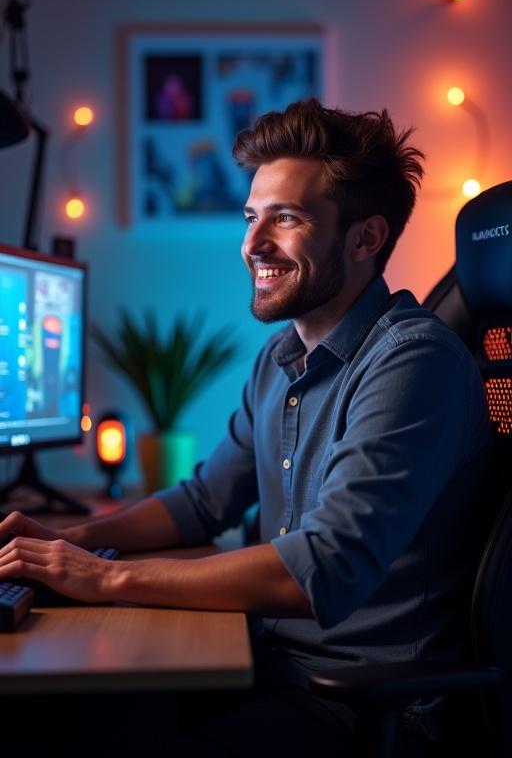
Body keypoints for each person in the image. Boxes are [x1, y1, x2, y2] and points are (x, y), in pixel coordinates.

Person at [0, 99, 491, 757]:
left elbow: (324, 568)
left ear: (365, 239)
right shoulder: (281, 359)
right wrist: (70, 540)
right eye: (251, 217)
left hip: (368, 704)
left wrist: (103, 577)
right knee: (60, 716)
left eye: (285, 219)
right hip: (280, 666)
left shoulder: (412, 361)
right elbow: (205, 502)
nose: (251, 245)